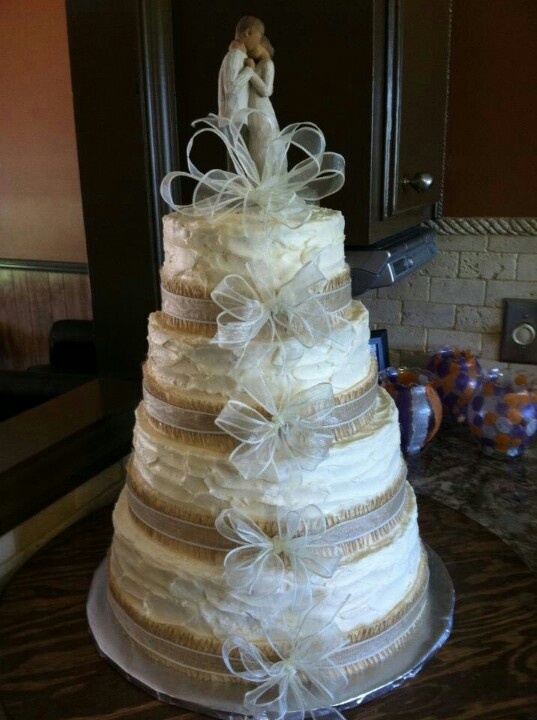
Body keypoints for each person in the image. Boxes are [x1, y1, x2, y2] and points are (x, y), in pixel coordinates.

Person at [218, 16, 265, 121]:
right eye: (258, 38)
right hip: (233, 120)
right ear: (248, 33)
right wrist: (249, 70)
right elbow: (230, 87)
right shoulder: (235, 55)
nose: (258, 43)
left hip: (238, 118)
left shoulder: (240, 55)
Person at [247, 36, 280, 177]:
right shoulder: (260, 64)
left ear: (262, 44)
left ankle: (265, 177)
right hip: (254, 110)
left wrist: (250, 73)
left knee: (263, 143)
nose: (250, 52)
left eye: (253, 47)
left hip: (261, 110)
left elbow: (266, 90)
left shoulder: (268, 64)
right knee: (255, 144)